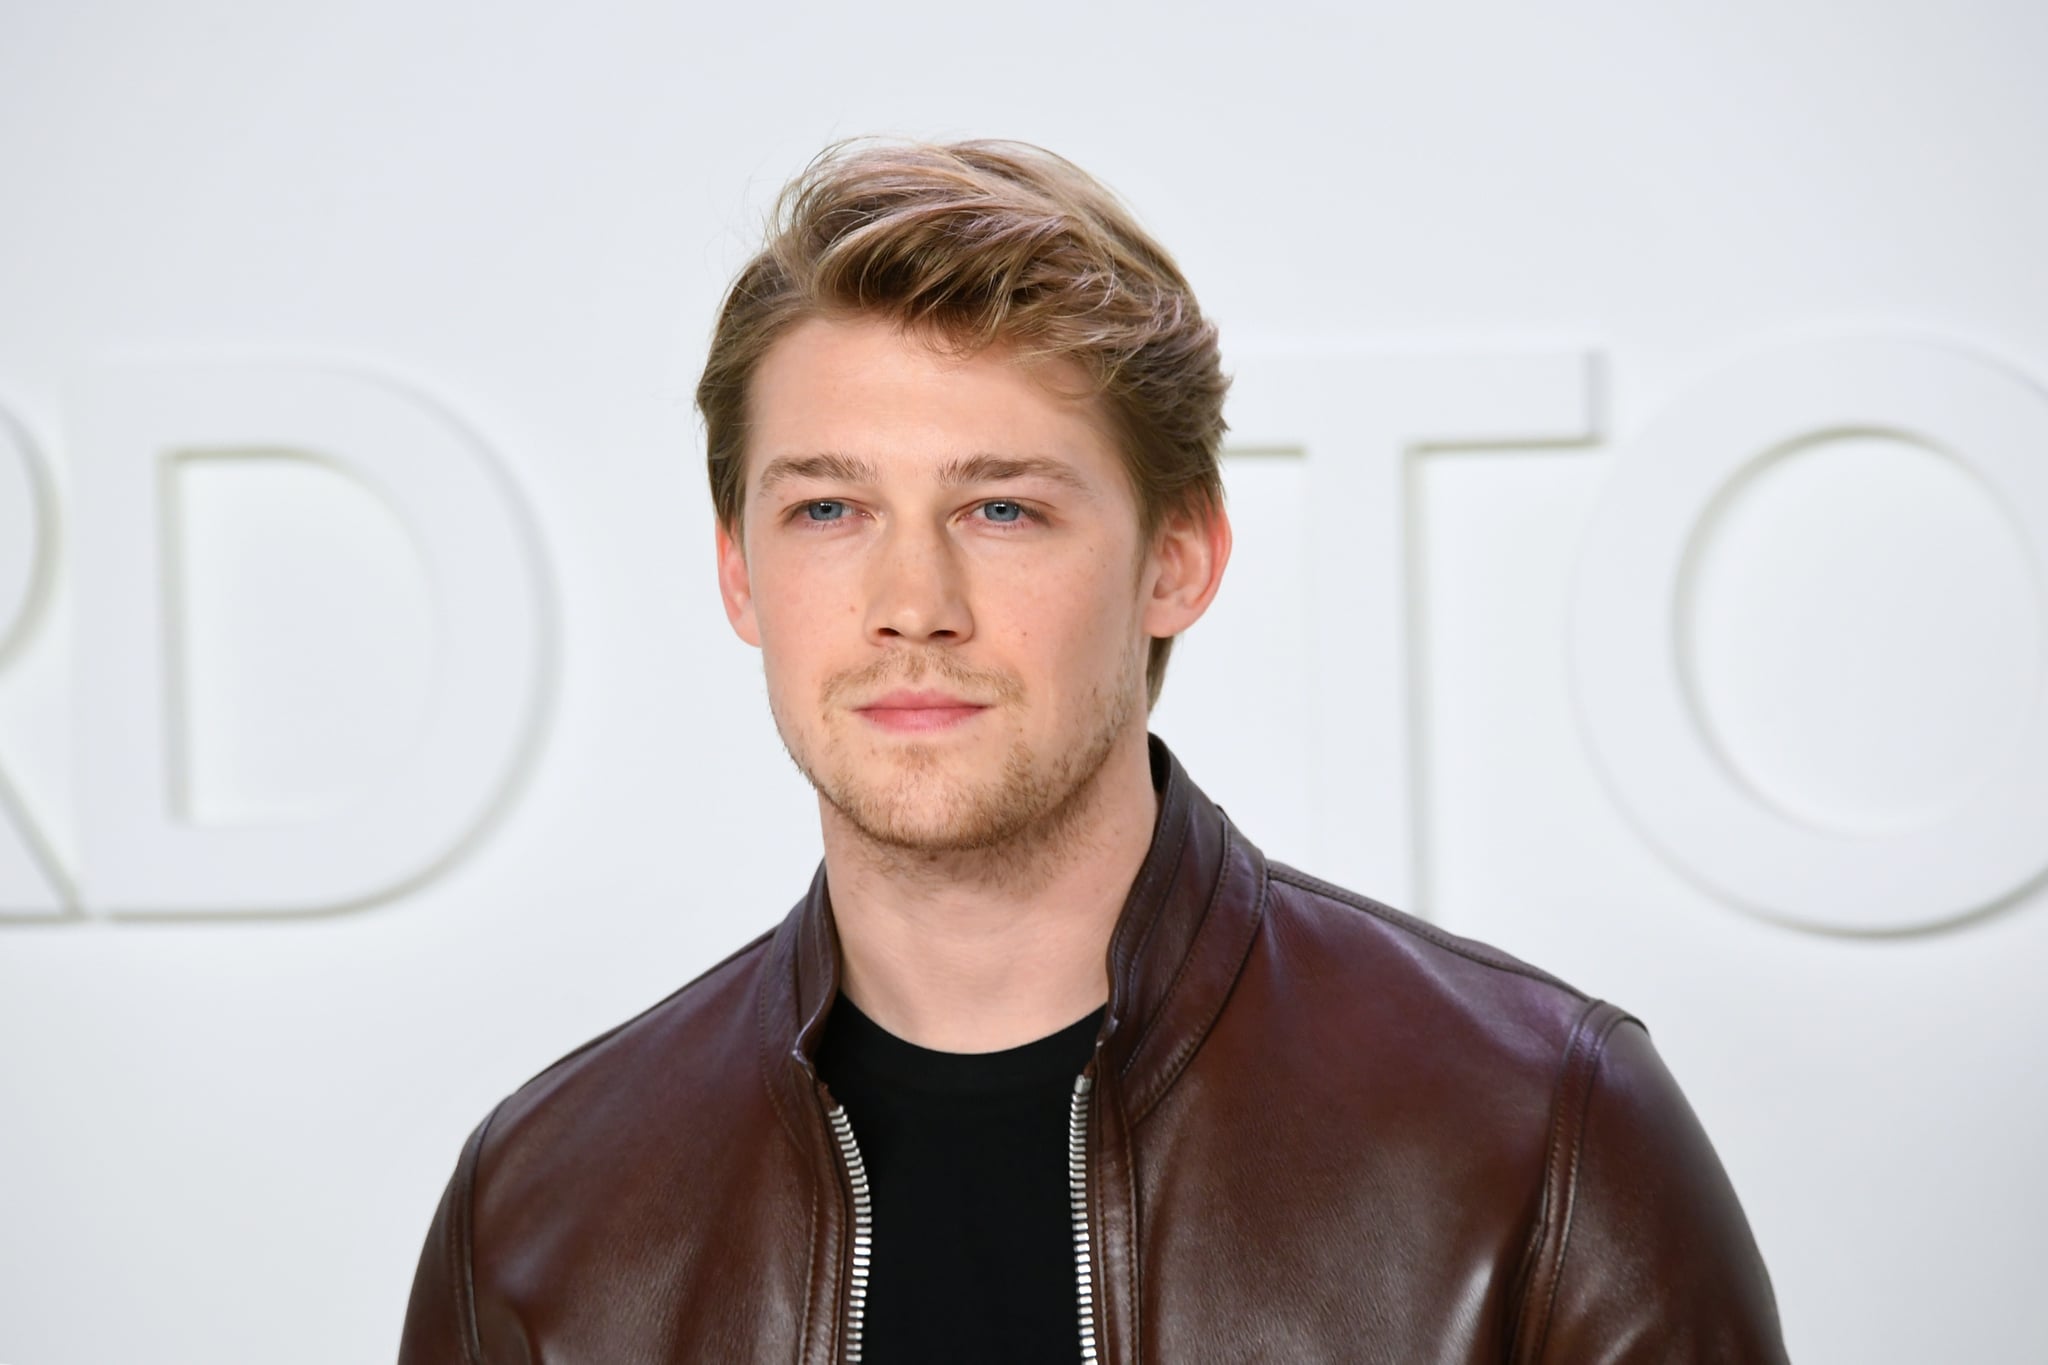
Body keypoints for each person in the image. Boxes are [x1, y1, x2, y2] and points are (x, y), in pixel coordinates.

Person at [398, 139, 1787, 1364]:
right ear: (738, 574)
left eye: (1001, 508)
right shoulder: (542, 1214)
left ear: (1178, 559)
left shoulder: (1539, 1134)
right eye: (828, 510)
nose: (913, 603)